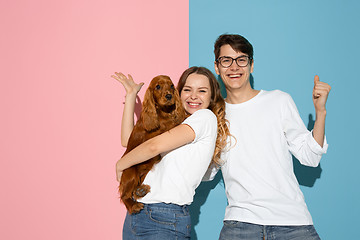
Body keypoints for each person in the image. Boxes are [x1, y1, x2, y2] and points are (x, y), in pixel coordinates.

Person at [205, 34, 331, 239]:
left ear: (251, 65)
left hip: (292, 223)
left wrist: (321, 112)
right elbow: (207, 173)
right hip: (240, 224)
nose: (234, 67)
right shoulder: (214, 116)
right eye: (226, 60)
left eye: (241, 60)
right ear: (217, 67)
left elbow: (311, 157)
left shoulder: (279, 101)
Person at [112, 66, 231, 239]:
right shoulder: (178, 123)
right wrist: (131, 96)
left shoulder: (205, 118)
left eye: (202, 91)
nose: (193, 96)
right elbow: (129, 141)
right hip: (137, 213)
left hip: (164, 216)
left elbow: (153, 147)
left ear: (212, 96)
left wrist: (120, 164)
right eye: (187, 90)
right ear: (179, 92)